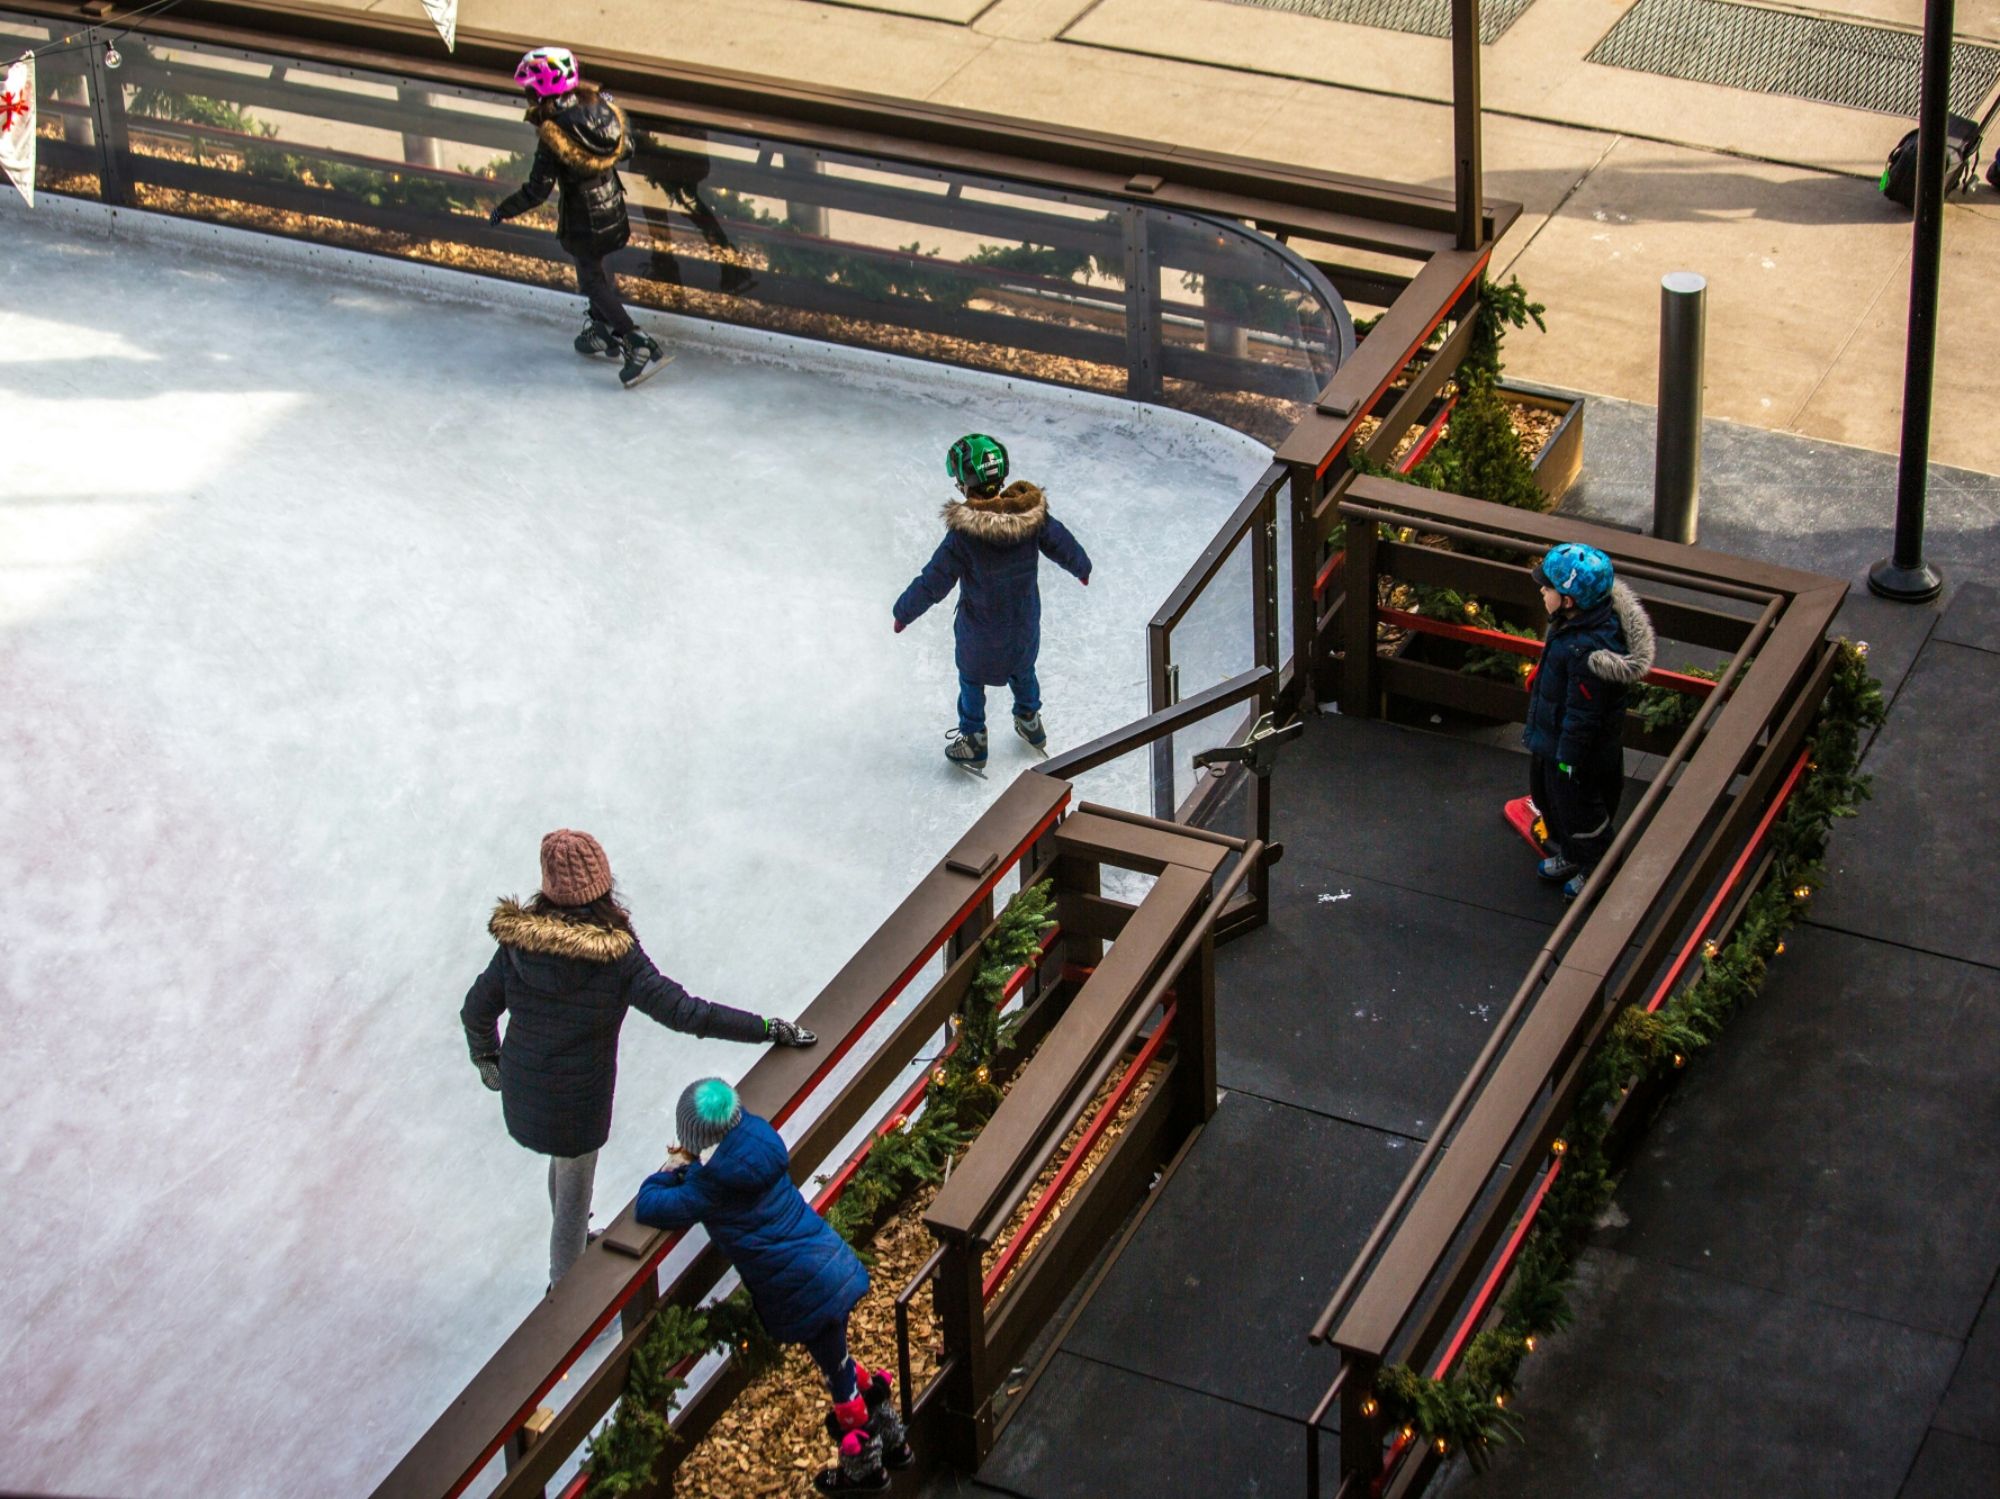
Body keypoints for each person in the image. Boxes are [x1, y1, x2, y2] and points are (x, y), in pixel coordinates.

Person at [461, 829, 817, 1288]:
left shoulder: (516, 946)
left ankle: (570, 1259)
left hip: (524, 1091)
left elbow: (476, 1010)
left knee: (565, 1168)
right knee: (572, 1194)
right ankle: (564, 1298)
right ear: (601, 886)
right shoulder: (616, 956)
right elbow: (688, 1013)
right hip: (576, 1107)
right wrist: (767, 1028)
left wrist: (488, 1058)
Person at [637, 1079, 913, 1495]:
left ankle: (864, 1468)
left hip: (802, 1291)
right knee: (837, 1362)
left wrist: (672, 1170)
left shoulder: (708, 1185)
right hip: (828, 1263)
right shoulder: (758, 1140)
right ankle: (891, 1439)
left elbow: (650, 1207)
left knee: (838, 1374)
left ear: (695, 1140)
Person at [892, 435, 1092, 774]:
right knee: (1023, 670)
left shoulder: (964, 535)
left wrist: (903, 612)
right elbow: (1063, 543)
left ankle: (973, 740)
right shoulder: (1031, 516)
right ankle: (1029, 719)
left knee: (971, 681)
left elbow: (934, 580)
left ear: (964, 483)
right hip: (1024, 624)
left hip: (979, 631)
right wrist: (1081, 568)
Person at [488, 46, 668, 390]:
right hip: (612, 209)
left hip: (585, 222)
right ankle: (602, 332)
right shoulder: (601, 108)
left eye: (528, 90)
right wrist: (609, 108)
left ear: (539, 92)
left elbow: (537, 191)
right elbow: (626, 147)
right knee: (598, 273)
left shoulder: (553, 134)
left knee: (591, 282)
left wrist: (503, 210)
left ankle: (636, 340)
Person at [1522, 543, 1656, 900]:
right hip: (1554, 742)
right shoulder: (1570, 627)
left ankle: (1599, 868)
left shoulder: (1588, 651)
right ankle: (1571, 853)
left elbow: (1583, 716)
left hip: (1576, 754)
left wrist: (1569, 759)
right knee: (1549, 800)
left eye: (1548, 587)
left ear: (1568, 600)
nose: (1541, 590)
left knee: (1580, 813)